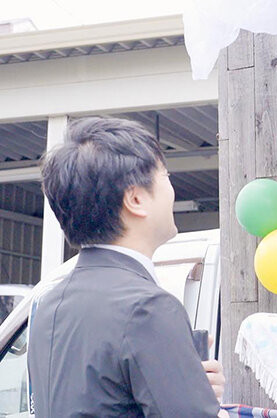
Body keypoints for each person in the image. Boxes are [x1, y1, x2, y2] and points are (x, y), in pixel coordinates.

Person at [28, 117, 226, 417]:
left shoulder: (47, 304)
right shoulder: (147, 308)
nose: (171, 189)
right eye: (165, 175)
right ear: (135, 199)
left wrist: (191, 389)